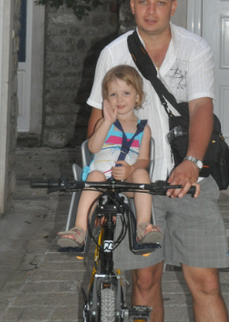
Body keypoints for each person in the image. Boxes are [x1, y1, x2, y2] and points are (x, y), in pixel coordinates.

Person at [87, 0, 229, 322]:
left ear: (173, 6)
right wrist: (102, 187)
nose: (151, 11)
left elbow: (201, 108)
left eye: (160, 2)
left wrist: (192, 161)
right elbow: (97, 122)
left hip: (188, 181)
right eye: (143, 2)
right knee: (146, 281)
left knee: (206, 283)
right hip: (134, 186)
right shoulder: (113, 54)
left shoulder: (194, 48)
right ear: (132, 6)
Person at [56, 65, 163, 248]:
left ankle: (143, 226)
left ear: (138, 97)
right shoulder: (104, 123)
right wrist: (107, 122)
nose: (119, 99)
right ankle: (79, 230)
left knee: (141, 174)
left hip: (127, 183)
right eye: (113, 94)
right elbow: (93, 147)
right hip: (100, 182)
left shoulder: (143, 129)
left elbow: (144, 160)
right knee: (95, 175)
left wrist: (131, 169)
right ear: (106, 100)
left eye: (126, 93)